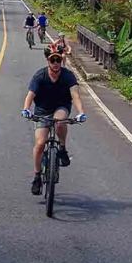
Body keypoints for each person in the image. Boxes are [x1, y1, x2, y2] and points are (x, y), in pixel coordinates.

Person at [21, 47, 87, 195]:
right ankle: (37, 176)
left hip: (61, 106)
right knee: (40, 144)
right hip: (42, 110)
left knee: (60, 120)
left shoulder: (68, 76)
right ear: (48, 61)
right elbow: (30, 94)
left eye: (58, 60)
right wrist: (26, 108)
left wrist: (81, 112)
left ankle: (62, 148)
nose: (56, 63)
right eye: (53, 60)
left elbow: (75, 95)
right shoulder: (40, 75)